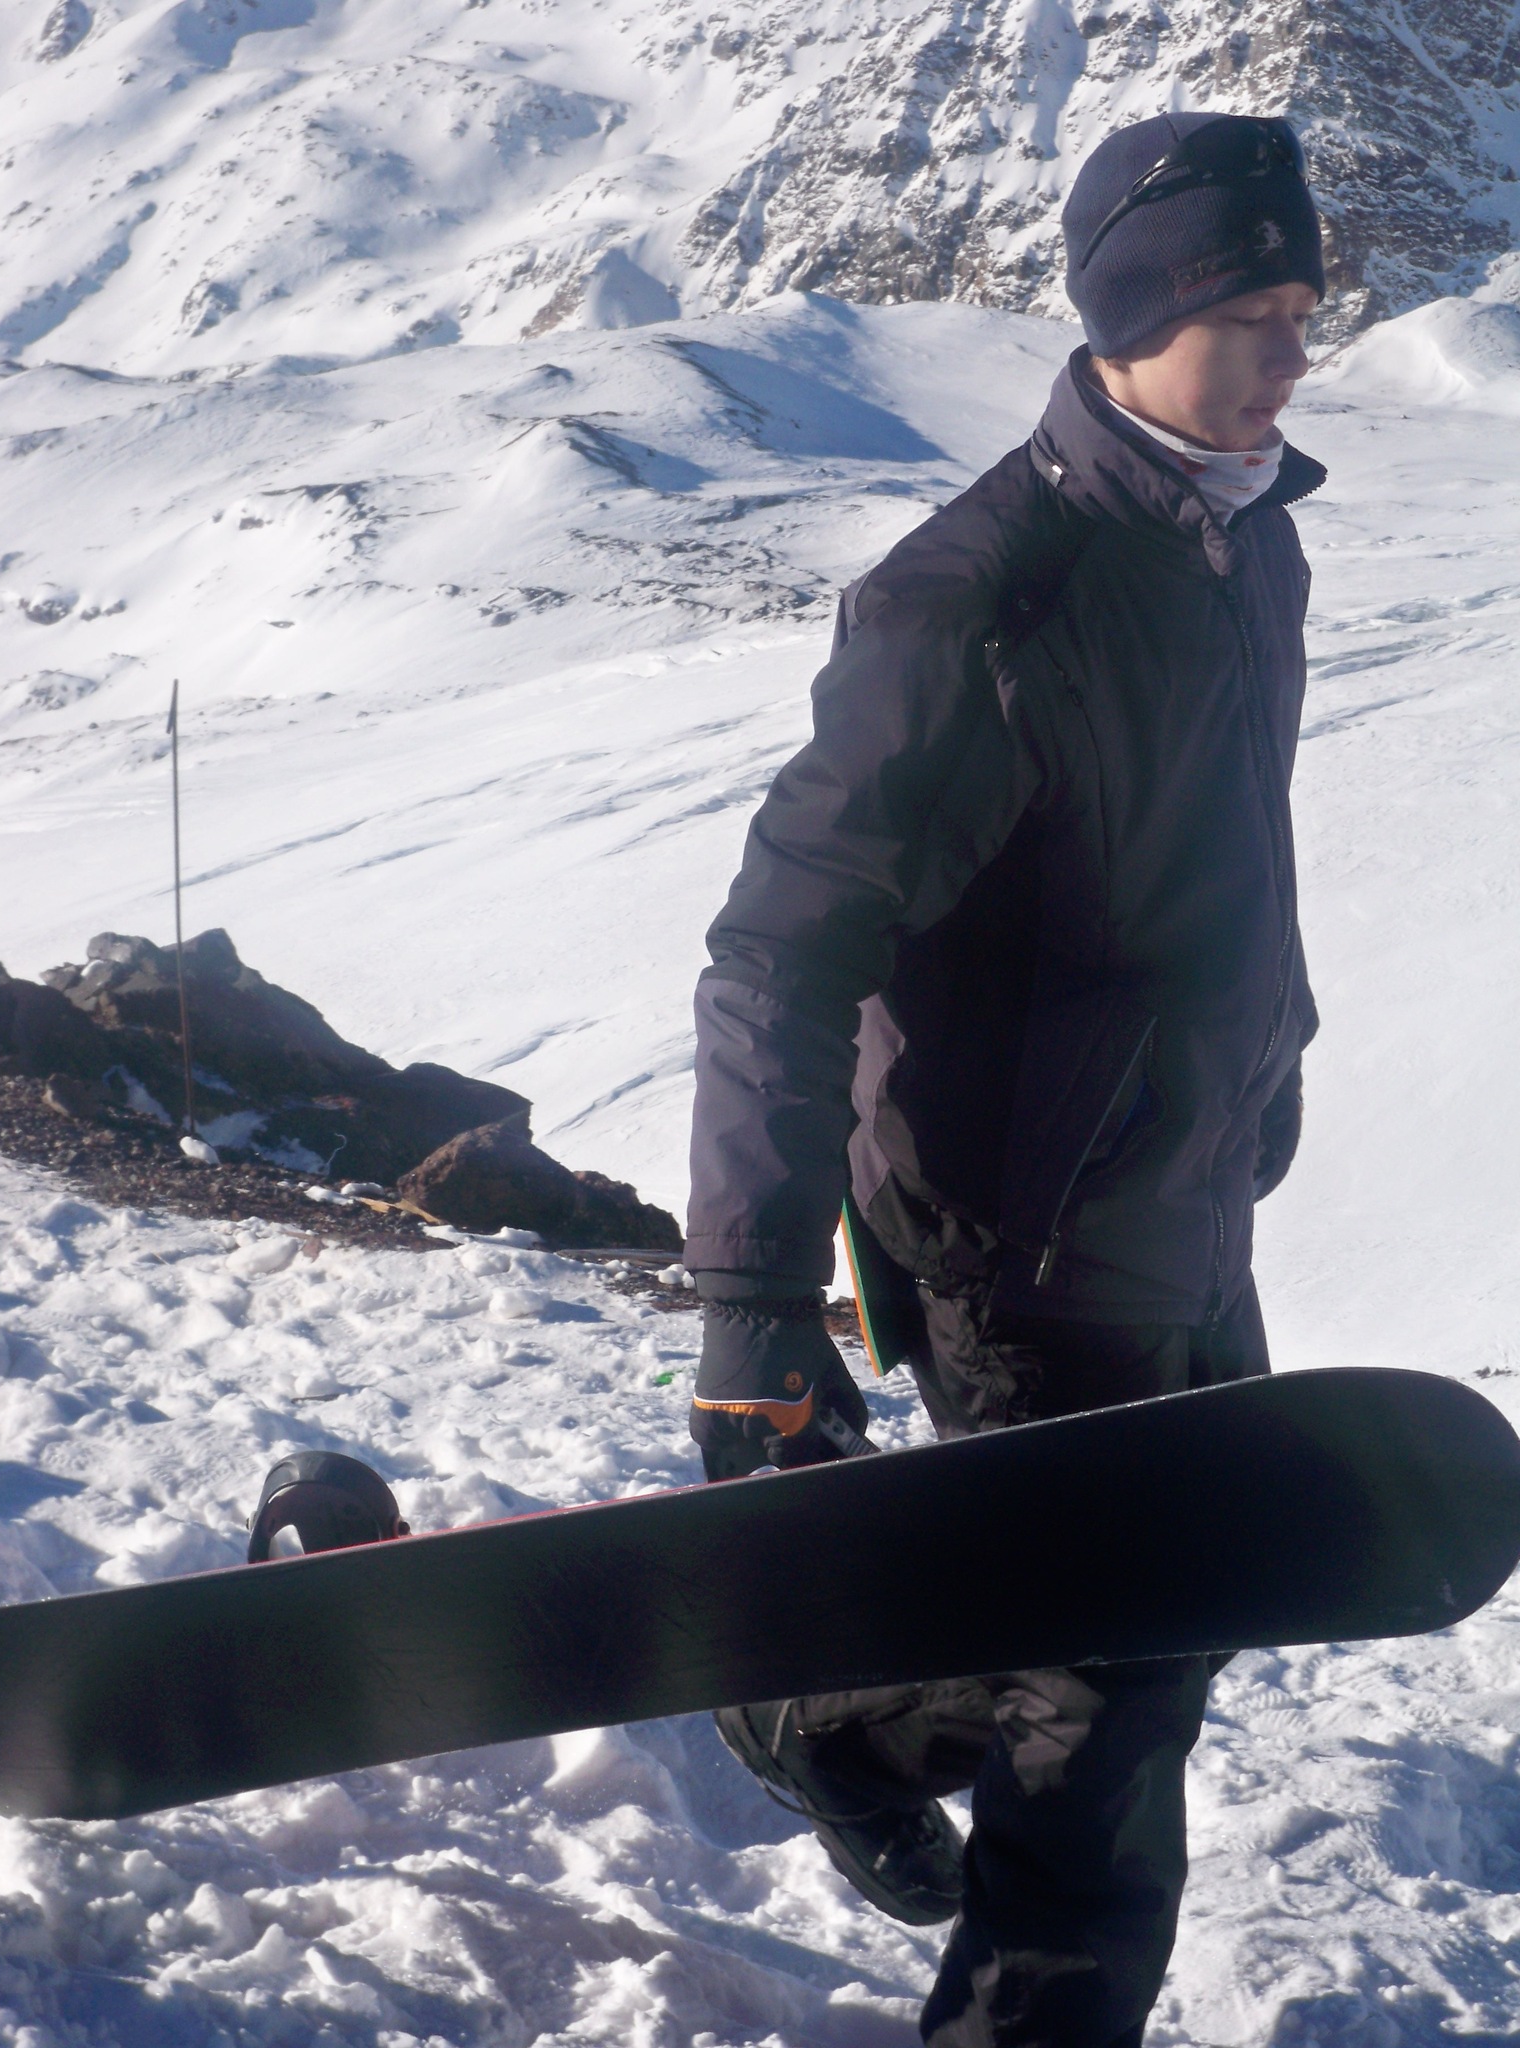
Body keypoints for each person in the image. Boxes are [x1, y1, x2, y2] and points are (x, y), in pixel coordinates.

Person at [682, 109, 1327, 2048]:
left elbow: (1223, 856)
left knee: (1176, 1607)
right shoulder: (972, 604)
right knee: (1107, 1713)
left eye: (1306, 312)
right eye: (1254, 315)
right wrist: (749, 1292)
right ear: (1136, 315)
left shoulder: (1247, 542)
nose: (1295, 354)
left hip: (1184, 1195)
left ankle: (834, 1723)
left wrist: (1269, 1059)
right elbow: (780, 949)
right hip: (1017, 1242)